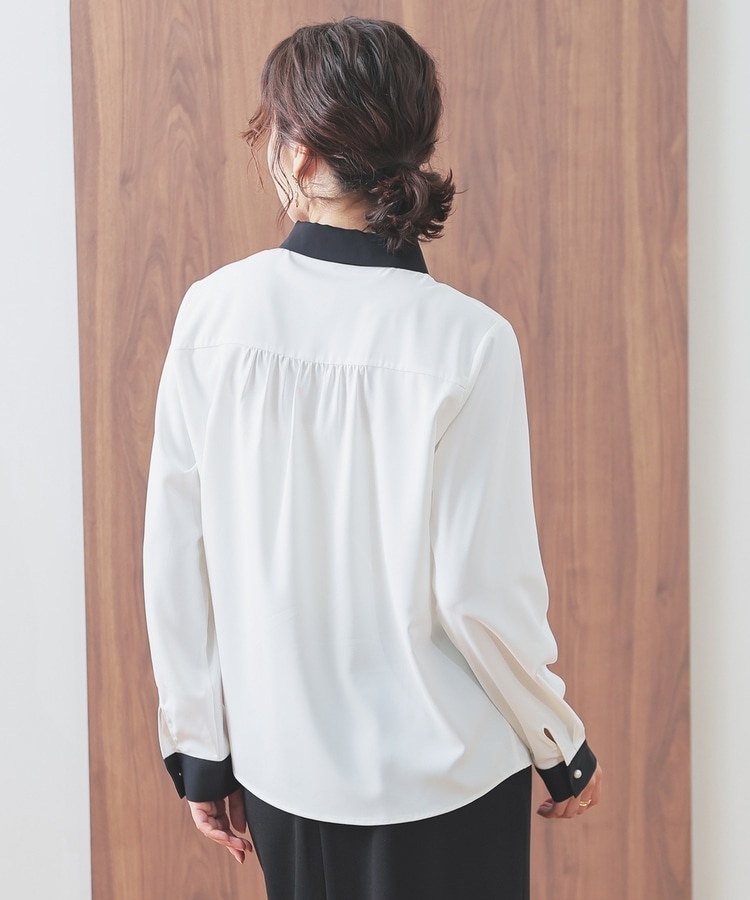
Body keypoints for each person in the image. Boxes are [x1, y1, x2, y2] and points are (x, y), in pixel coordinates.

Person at [143, 16, 602, 900]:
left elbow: (177, 554)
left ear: (302, 155)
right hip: (448, 779)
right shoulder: (469, 340)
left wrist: (201, 748)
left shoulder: (213, 315)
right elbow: (481, 594)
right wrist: (561, 745)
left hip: (282, 771)